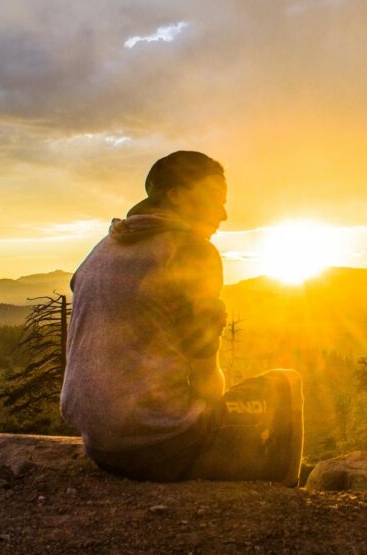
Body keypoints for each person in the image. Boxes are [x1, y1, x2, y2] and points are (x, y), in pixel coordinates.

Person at [60, 150, 304, 486]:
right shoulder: (191, 250)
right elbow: (204, 366)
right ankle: (284, 490)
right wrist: (217, 418)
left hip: (100, 447)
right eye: (214, 199)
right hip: (160, 447)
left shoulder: (101, 250)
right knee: (285, 385)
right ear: (175, 195)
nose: (223, 214)